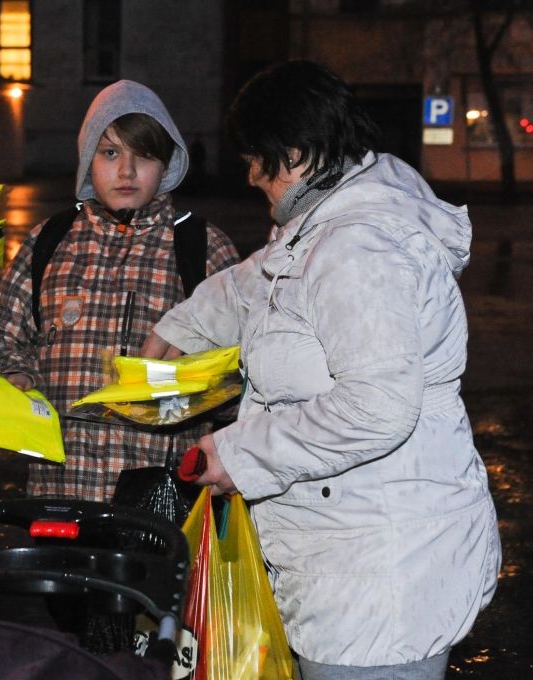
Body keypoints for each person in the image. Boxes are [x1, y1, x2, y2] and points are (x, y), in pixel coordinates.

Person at [142, 60, 501, 679]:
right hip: (352, 556)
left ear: (295, 152)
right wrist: (183, 325)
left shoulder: (359, 248)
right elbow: (259, 284)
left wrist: (239, 454)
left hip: (381, 578)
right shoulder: (325, 227)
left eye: (256, 160)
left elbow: (376, 407)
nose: (251, 177)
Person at [0, 80, 240, 504]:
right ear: (87, 160)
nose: (127, 172)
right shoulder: (49, 241)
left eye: (144, 156)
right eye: (110, 153)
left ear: (166, 164)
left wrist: (200, 386)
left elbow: (244, 367)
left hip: (162, 499)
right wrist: (15, 375)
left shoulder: (203, 249)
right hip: (59, 492)